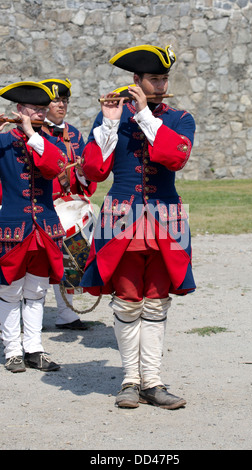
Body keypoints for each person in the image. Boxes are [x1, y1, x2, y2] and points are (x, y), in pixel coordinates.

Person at [80, 44, 196, 409]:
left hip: (166, 218)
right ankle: (131, 380)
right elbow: (96, 171)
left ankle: (154, 382)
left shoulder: (180, 119)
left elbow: (173, 157)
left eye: (164, 79)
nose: (161, 85)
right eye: (153, 79)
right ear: (136, 80)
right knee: (129, 300)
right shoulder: (109, 117)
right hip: (121, 219)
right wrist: (111, 123)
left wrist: (145, 115)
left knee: (157, 302)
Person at [0, 80, 68, 373]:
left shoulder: (50, 141)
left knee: (37, 290)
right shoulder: (2, 142)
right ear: (18, 109)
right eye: (32, 109)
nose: (39, 113)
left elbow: (53, 168)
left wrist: (31, 133)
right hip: (13, 227)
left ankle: (34, 348)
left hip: (45, 227)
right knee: (10, 290)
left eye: (42, 109)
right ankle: (13, 350)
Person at [40, 78, 97, 330]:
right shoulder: (35, 132)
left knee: (71, 259)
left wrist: (84, 173)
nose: (61, 104)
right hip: (43, 206)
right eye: (56, 100)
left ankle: (66, 314)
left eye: (64, 100)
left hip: (70, 208)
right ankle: (30, 315)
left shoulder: (73, 133)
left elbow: (86, 174)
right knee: (41, 263)